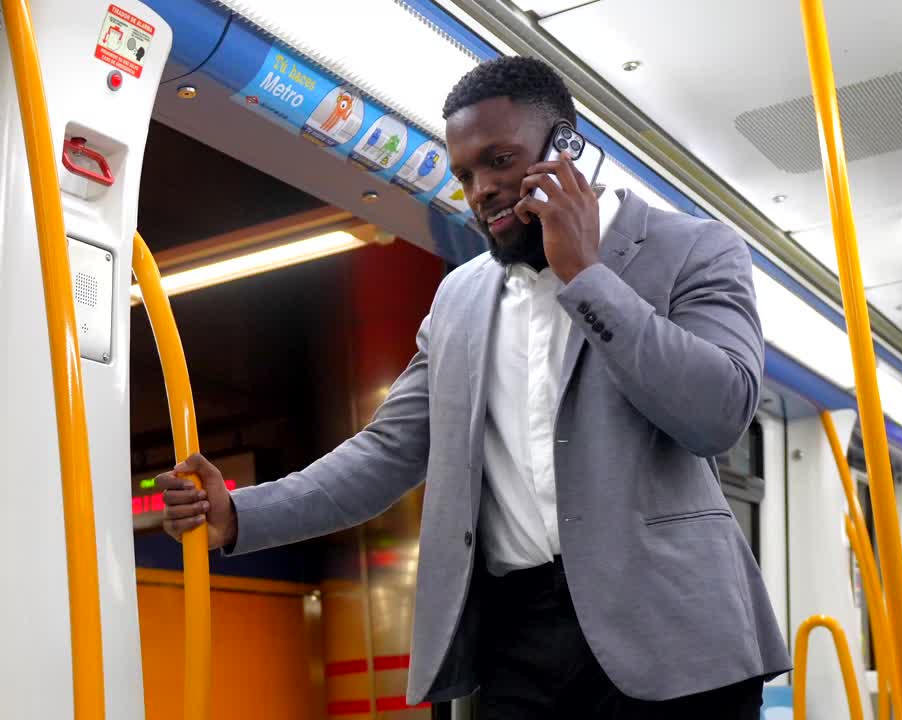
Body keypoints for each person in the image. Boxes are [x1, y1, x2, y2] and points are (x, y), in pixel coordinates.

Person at [157, 56, 789, 718]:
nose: (481, 190)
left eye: (500, 160)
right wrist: (242, 513)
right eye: (464, 175)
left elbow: (718, 414)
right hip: (518, 639)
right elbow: (387, 451)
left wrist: (586, 276)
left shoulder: (694, 249)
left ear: (565, 148)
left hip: (676, 640)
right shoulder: (458, 299)